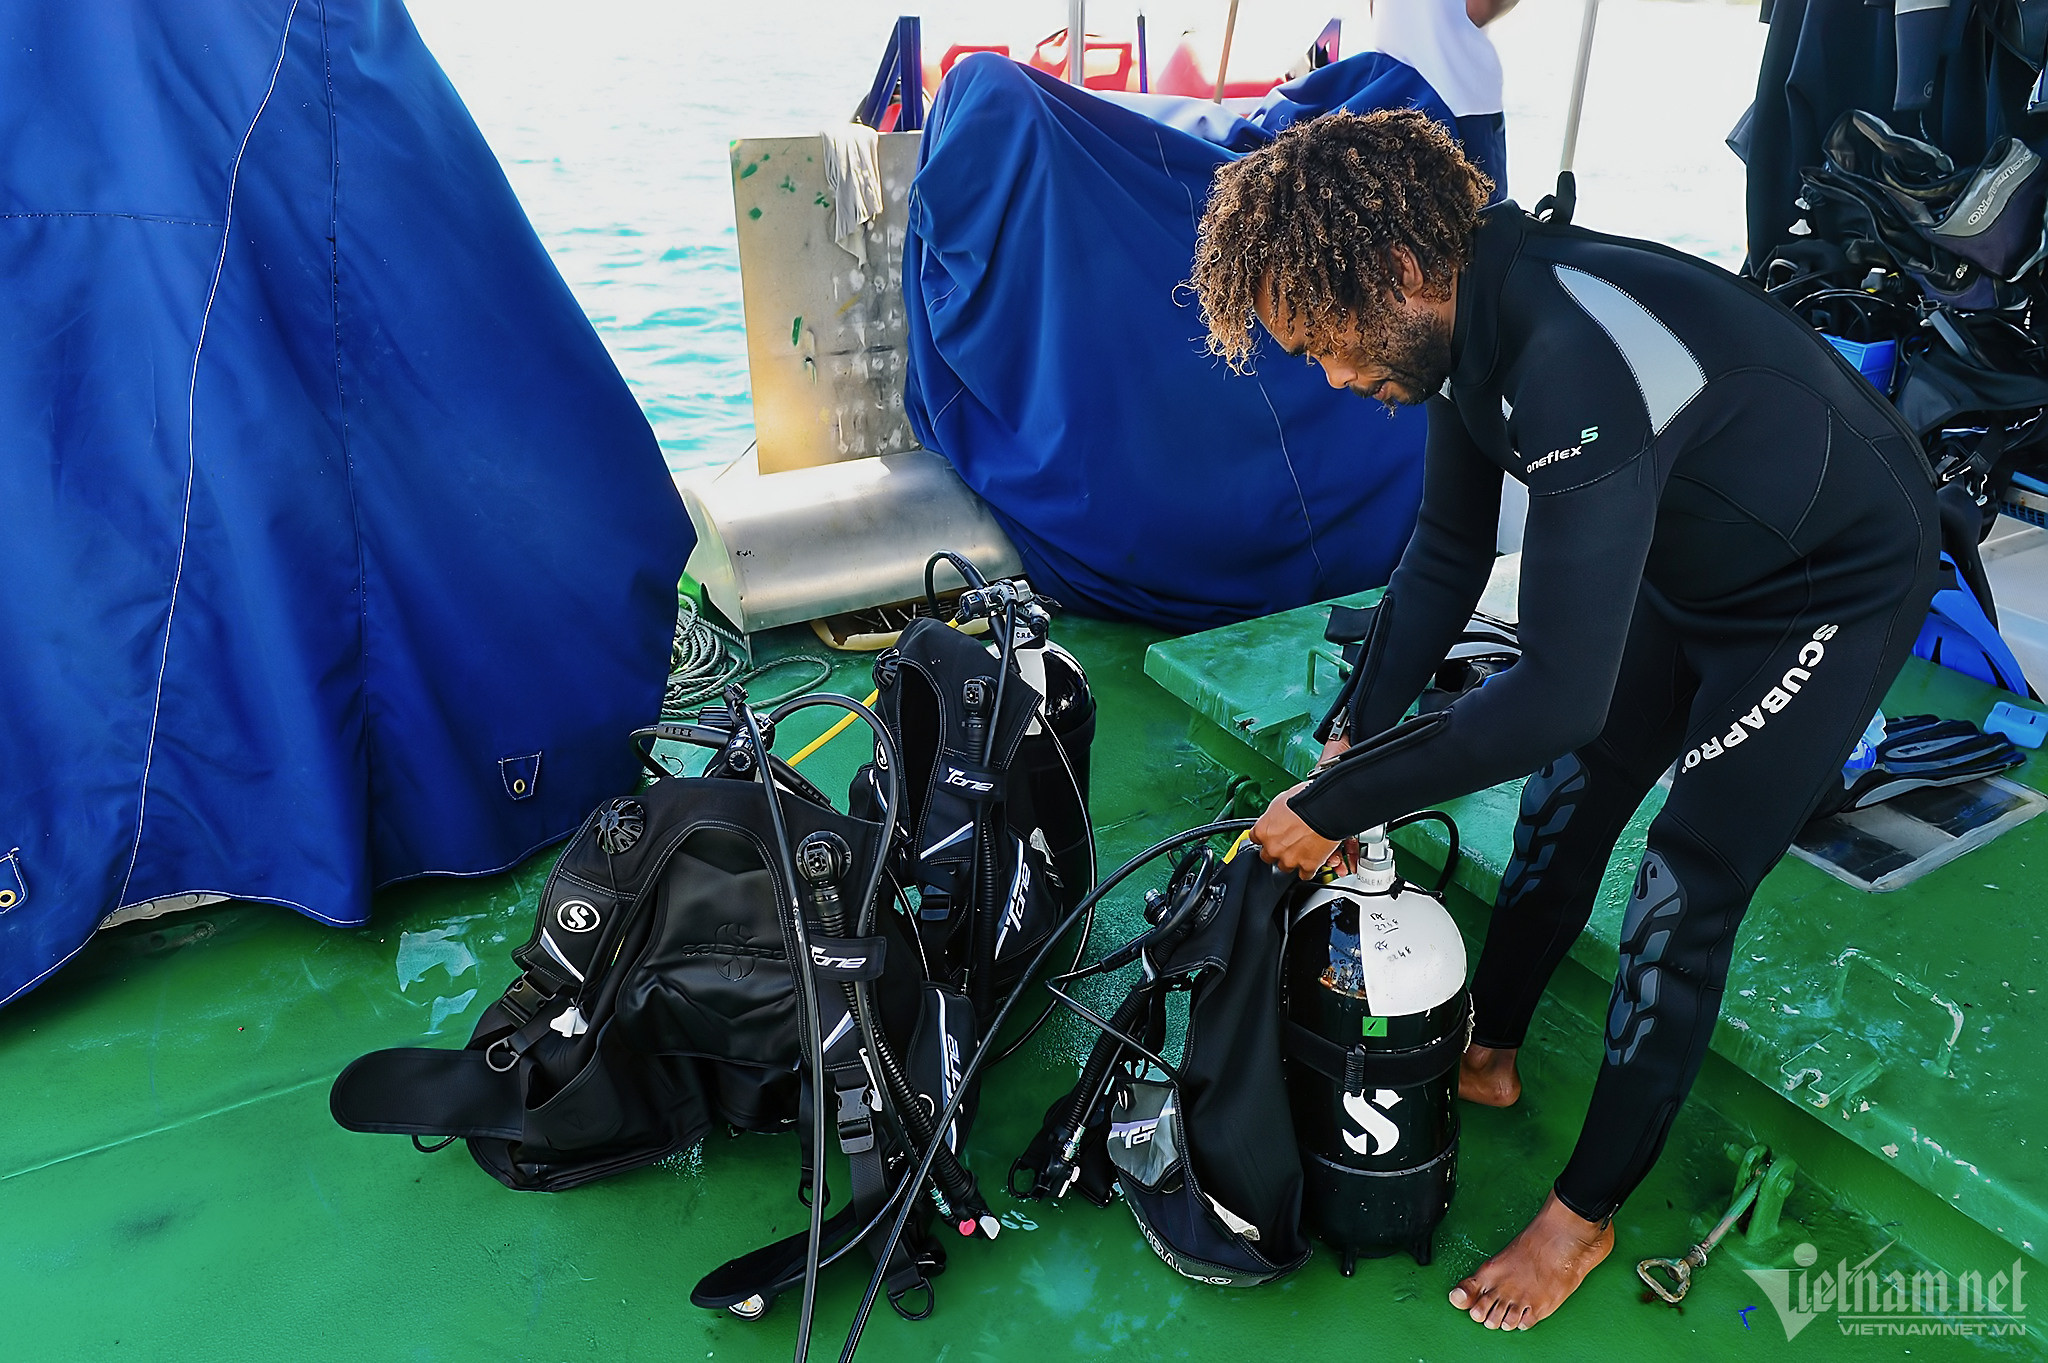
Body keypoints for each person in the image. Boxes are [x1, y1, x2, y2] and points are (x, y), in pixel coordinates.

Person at [1189, 109, 1937, 1329]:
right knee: (1569, 797)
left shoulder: (1571, 351)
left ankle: (1581, 1217)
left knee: (1680, 889)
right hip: (1693, 562)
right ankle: (1487, 1049)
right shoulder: (1462, 321)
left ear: (1396, 270)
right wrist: (1352, 734)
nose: (1330, 377)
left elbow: (1550, 693)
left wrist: (1333, 805)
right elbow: (1445, 550)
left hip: (1826, 587)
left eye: (1325, 343)